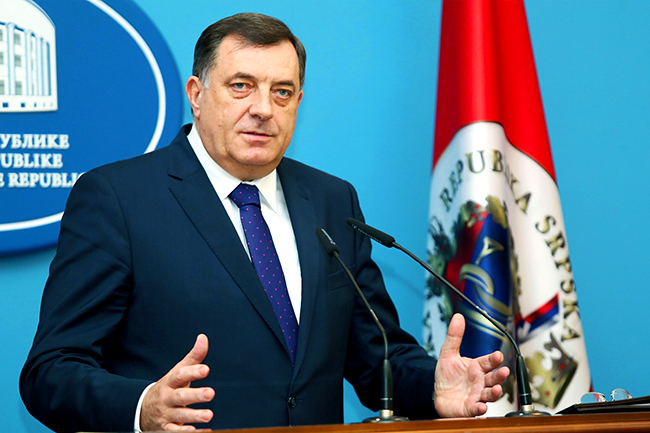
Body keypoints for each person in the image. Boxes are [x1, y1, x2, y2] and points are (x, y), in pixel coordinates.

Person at [20, 13, 509, 433]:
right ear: (196, 94)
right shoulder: (119, 198)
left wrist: (433, 387)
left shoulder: (331, 200)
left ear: (298, 102)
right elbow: (51, 370)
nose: (262, 109)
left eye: (282, 92)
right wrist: (143, 407)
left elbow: (375, 355)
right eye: (241, 86)